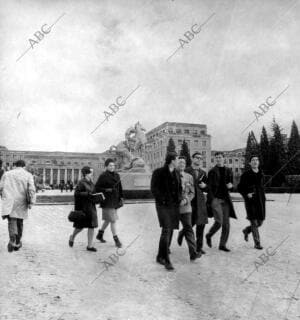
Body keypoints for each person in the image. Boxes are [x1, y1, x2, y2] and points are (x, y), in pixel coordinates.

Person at [151, 152, 182, 271]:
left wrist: (179, 199)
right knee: (166, 230)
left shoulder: (177, 173)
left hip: (174, 206)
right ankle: (167, 260)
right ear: (172, 160)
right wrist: (163, 200)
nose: (179, 161)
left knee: (169, 231)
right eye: (177, 159)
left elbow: (179, 189)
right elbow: (154, 189)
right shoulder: (158, 172)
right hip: (163, 206)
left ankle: (160, 256)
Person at [0, 160, 36, 252]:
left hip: (9, 200)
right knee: (20, 222)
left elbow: (1, 187)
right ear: (23, 166)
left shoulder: (7, 174)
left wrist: (3, 196)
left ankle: (12, 240)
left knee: (12, 220)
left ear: (15, 165)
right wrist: (31, 202)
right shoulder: (28, 175)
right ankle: (18, 242)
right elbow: (32, 190)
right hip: (22, 201)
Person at [206, 152, 237, 252]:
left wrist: (231, 187)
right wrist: (212, 200)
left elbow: (231, 185)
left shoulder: (228, 171)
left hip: (226, 200)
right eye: (217, 158)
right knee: (219, 221)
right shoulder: (212, 171)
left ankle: (222, 245)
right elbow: (209, 188)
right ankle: (209, 235)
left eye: (220, 157)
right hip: (216, 200)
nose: (218, 159)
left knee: (226, 224)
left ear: (224, 159)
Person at [237, 155, 266, 250]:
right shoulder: (246, 174)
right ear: (250, 163)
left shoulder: (261, 173)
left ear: (259, 162)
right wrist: (246, 194)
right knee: (253, 221)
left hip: (260, 200)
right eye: (253, 160)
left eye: (257, 160)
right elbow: (240, 188)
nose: (255, 161)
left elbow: (261, 186)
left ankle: (246, 230)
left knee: (260, 222)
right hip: (250, 201)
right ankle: (257, 243)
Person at [94, 159, 123, 248]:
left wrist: (121, 197)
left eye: (113, 165)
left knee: (108, 219)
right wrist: (106, 190)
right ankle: (116, 239)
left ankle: (100, 234)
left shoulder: (117, 175)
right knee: (113, 220)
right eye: (110, 165)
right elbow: (97, 188)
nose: (112, 167)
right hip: (107, 201)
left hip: (115, 201)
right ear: (106, 166)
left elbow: (120, 187)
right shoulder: (103, 176)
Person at [176, 157, 201, 261]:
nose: (182, 164)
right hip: (174, 208)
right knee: (167, 229)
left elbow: (192, 192)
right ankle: (165, 249)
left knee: (189, 229)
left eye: (184, 162)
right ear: (176, 163)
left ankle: (193, 253)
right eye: (180, 162)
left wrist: (186, 200)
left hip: (186, 207)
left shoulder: (189, 177)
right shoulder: (171, 175)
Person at [183, 152, 208, 254]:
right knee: (190, 224)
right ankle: (182, 235)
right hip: (191, 201)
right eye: (197, 158)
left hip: (201, 202)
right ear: (192, 159)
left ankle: (199, 247)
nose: (199, 160)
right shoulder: (186, 170)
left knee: (201, 224)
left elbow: (207, 186)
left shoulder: (203, 172)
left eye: (201, 158)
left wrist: (205, 186)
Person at [69, 166, 98, 252]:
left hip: (91, 207)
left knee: (91, 226)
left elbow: (94, 192)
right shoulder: (81, 183)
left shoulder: (91, 183)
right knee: (80, 227)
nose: (92, 174)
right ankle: (72, 236)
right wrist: (87, 194)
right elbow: (77, 194)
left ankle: (89, 246)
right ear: (86, 174)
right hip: (84, 207)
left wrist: (97, 197)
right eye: (90, 172)